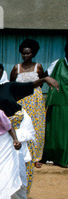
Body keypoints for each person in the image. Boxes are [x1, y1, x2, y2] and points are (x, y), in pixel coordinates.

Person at [0, 62, 59, 199]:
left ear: (1, 76)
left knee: (22, 169)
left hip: (21, 127)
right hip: (4, 132)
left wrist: (44, 79)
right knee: (4, 167)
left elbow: (30, 84)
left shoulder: (8, 87)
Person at [10, 39, 46, 169]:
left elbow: (40, 82)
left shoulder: (38, 67)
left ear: (33, 54)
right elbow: (12, 84)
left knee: (37, 127)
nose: (25, 56)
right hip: (21, 100)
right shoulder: (16, 68)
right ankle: (22, 154)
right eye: (23, 53)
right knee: (22, 126)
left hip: (36, 101)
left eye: (28, 53)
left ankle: (36, 157)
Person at [42, 40, 68, 168]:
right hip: (58, 102)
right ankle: (54, 157)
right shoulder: (58, 63)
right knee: (56, 132)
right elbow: (44, 76)